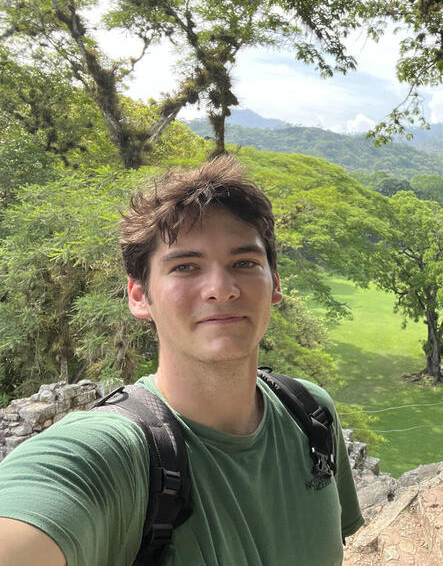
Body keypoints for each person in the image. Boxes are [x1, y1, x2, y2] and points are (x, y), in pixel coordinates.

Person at [0, 156, 364, 566]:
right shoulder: (111, 454)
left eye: (244, 263)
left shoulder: (310, 415)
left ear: (275, 285)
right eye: (186, 267)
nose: (221, 289)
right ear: (139, 297)